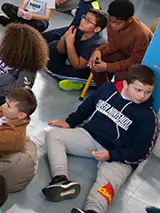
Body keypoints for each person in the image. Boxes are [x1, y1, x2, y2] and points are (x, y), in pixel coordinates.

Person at [42, 65, 157, 213]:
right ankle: (60, 179)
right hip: (90, 136)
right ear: (126, 84)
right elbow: (88, 106)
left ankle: (92, 210)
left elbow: (143, 151)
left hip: (119, 155)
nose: (142, 96)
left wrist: (112, 155)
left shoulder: (148, 116)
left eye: (148, 92)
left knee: (108, 181)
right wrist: (70, 122)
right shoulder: (108, 89)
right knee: (54, 135)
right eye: (138, 90)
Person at [88, 0, 151, 87]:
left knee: (121, 77)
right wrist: (99, 51)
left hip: (140, 63)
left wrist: (107, 66)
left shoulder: (141, 34)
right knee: (96, 63)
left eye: (117, 23)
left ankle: (116, 94)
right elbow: (113, 44)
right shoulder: (111, 23)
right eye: (111, 21)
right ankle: (103, 89)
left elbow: (135, 61)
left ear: (130, 20)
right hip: (124, 54)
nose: (113, 25)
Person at [46, 10, 109, 89]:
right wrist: (65, 37)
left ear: (97, 29)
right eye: (84, 18)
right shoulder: (80, 30)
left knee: (55, 68)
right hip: (77, 59)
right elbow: (60, 50)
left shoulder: (96, 44)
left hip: (89, 72)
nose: (82, 21)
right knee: (52, 48)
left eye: (88, 21)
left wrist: (69, 44)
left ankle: (79, 83)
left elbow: (78, 65)